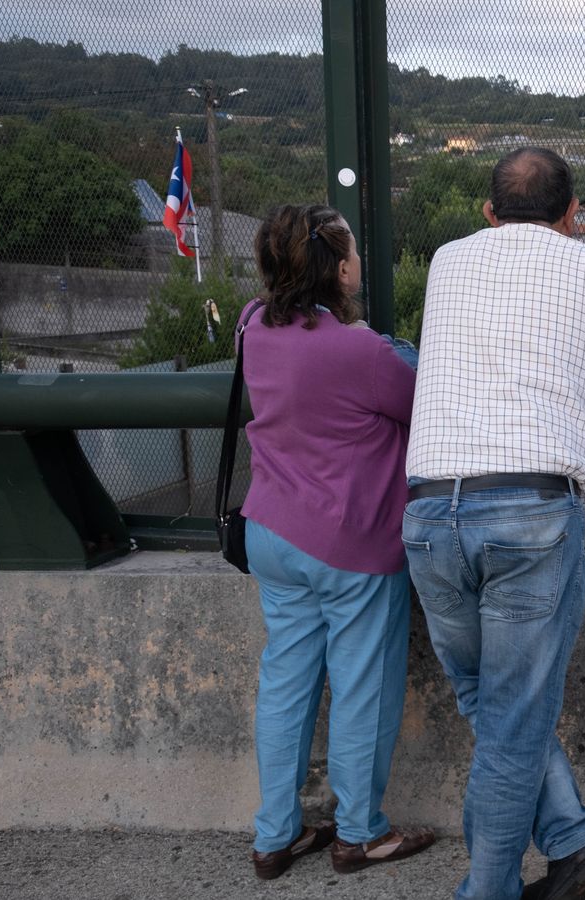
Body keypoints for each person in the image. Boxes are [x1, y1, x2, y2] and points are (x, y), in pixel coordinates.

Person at [404, 148, 585, 900]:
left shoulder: (446, 261)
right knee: (514, 719)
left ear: (488, 212)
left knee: (490, 702)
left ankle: (573, 839)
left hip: (430, 513)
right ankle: (489, 890)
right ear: (573, 214)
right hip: (529, 513)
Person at [241, 204, 435, 880]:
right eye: (351, 249)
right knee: (361, 687)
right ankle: (359, 834)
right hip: (349, 543)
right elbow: (421, 396)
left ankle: (275, 837)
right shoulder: (360, 351)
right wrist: (387, 343)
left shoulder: (252, 326)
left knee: (285, 682)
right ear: (339, 268)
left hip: (271, 532)